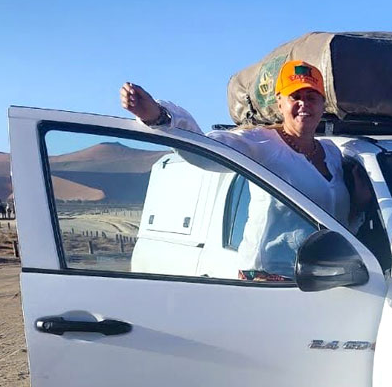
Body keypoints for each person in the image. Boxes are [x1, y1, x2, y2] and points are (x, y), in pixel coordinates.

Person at [120, 60, 370, 280]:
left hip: (329, 279)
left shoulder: (334, 153)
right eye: (296, 97)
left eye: (311, 97)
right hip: (269, 279)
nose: (304, 104)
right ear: (280, 103)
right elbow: (206, 151)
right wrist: (158, 117)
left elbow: (334, 225)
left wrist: (359, 205)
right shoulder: (260, 143)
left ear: (322, 105)